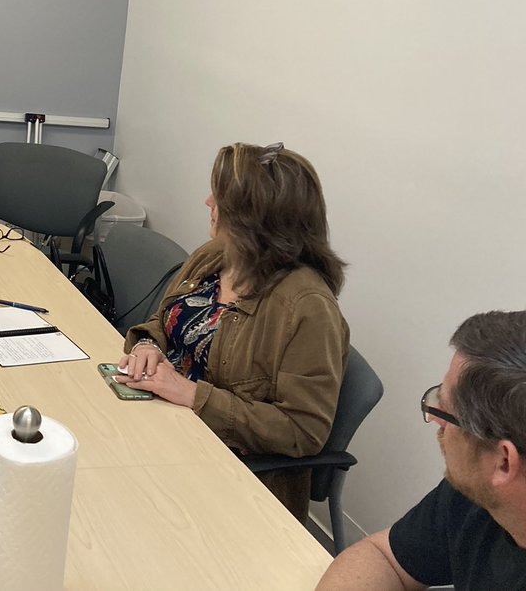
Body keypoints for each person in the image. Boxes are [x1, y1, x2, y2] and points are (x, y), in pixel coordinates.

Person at [116, 142, 349, 520]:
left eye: (220, 198)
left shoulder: (308, 309)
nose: (209, 202)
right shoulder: (216, 257)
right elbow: (165, 320)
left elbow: (303, 430)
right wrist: (147, 344)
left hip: (223, 473)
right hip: (161, 426)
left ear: (254, 220)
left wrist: (192, 395)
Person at [317, 311, 526, 590]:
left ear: (503, 461)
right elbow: (387, 558)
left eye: (448, 412)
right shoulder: (475, 493)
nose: (435, 418)